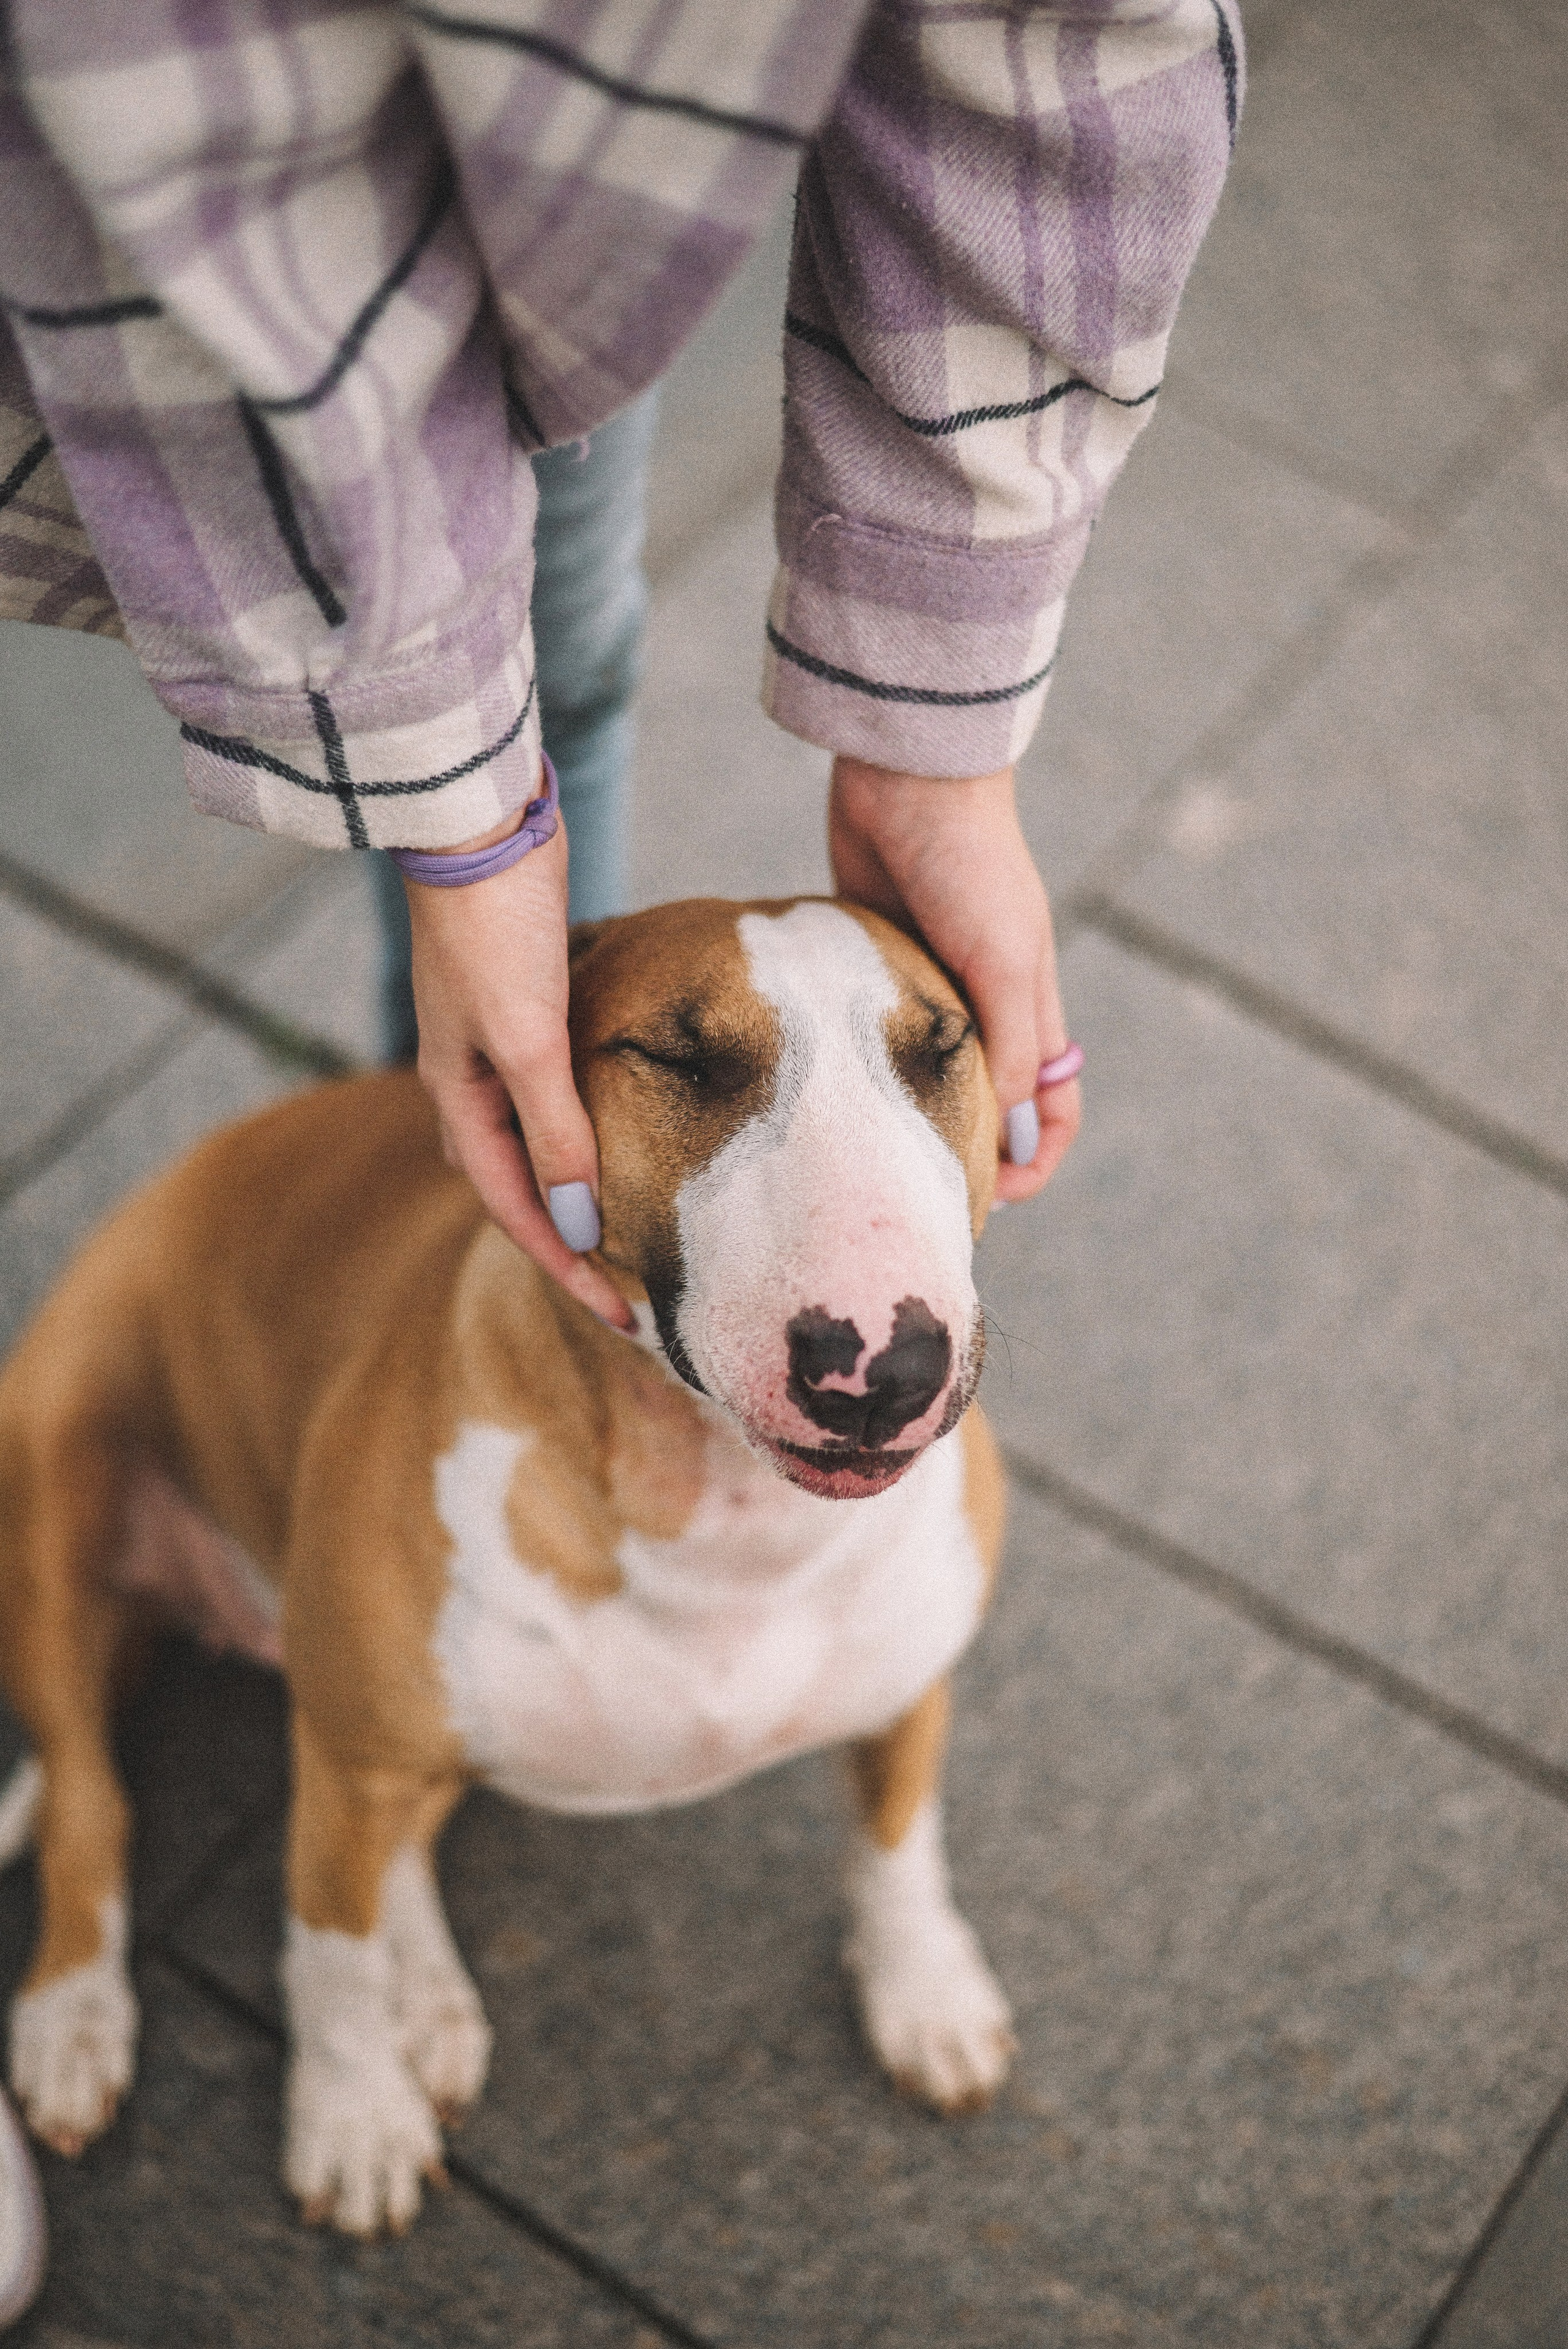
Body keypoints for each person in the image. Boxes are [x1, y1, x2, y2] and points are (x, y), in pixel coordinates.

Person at [0, 0, 1237, 2269]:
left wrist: (942, 737)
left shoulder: (930, 1478)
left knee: (553, 552)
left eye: (922, 1052)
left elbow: (1080, 69)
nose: (870, 1215)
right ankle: (90, 1883)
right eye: (701, 1057)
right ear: (565, 1067)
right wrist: (458, 850)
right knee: (217, 1610)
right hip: (307, 1507)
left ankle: (898, 1896)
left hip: (566, 195)